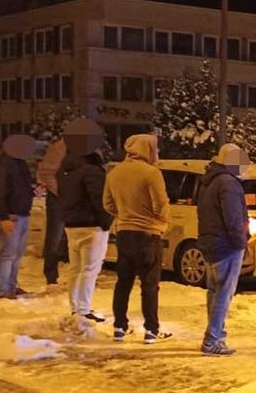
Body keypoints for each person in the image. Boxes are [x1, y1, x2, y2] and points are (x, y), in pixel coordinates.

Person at [103, 134, 172, 343]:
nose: (157, 152)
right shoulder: (151, 173)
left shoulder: (114, 173)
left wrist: (124, 214)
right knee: (150, 284)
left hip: (124, 233)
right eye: (155, 148)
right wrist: (161, 219)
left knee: (123, 282)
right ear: (147, 149)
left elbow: (107, 204)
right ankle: (151, 329)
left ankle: (119, 326)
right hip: (148, 234)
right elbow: (161, 203)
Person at [197, 143, 250, 355]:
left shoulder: (208, 181)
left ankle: (215, 334)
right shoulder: (229, 184)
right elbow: (233, 219)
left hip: (210, 243)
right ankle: (213, 339)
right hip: (226, 245)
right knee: (223, 294)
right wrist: (241, 243)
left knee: (214, 291)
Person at [60, 147, 112, 322]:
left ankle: (76, 308)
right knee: (90, 269)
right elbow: (100, 199)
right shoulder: (92, 171)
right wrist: (106, 221)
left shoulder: (68, 172)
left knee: (75, 269)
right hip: (92, 226)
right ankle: (84, 309)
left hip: (71, 225)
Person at [0, 135, 36, 299]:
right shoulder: (2, 163)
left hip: (21, 213)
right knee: (8, 253)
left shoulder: (18, 162)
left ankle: (11, 286)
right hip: (10, 214)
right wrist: (4, 217)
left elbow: (20, 187)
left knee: (16, 253)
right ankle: (3, 290)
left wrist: (33, 191)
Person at [36, 137, 69, 285]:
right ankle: (51, 275)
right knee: (54, 237)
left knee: (80, 238)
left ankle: (82, 277)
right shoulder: (59, 148)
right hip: (59, 199)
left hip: (80, 200)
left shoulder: (88, 148)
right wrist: (60, 191)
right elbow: (45, 172)